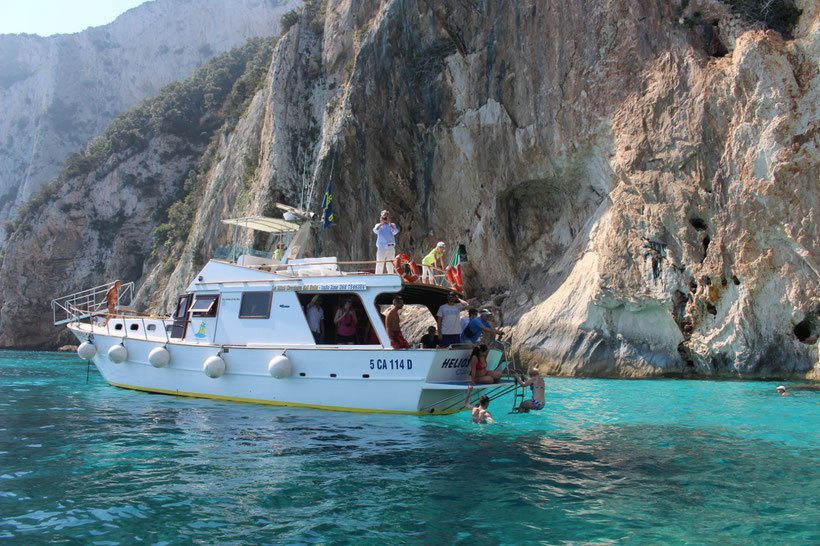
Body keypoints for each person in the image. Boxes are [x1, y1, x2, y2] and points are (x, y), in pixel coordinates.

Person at [372, 210, 399, 274]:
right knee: (380, 263)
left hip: (391, 247)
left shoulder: (392, 225)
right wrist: (381, 223)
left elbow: (395, 232)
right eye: (384, 216)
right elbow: (375, 231)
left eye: (387, 216)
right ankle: (378, 277)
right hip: (381, 247)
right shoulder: (378, 225)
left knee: (390, 264)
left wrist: (389, 224)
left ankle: (391, 276)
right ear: (381, 217)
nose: (386, 217)